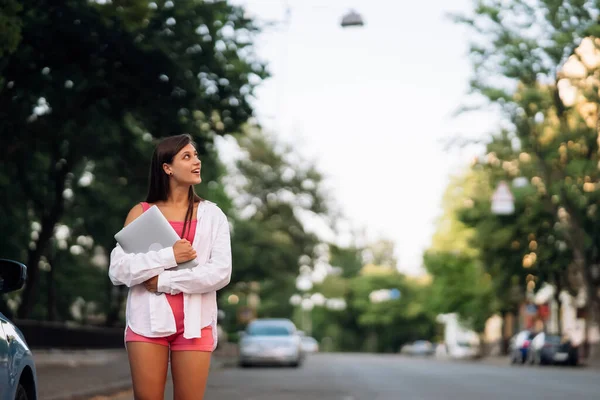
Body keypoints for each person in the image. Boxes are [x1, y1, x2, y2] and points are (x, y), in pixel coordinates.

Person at [109, 134, 232, 400]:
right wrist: (169, 256)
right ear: (167, 167)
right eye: (187, 157)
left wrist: (164, 282)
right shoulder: (142, 213)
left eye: (196, 155)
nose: (196, 161)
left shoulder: (212, 215)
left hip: (195, 325)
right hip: (145, 325)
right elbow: (118, 270)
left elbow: (220, 272)